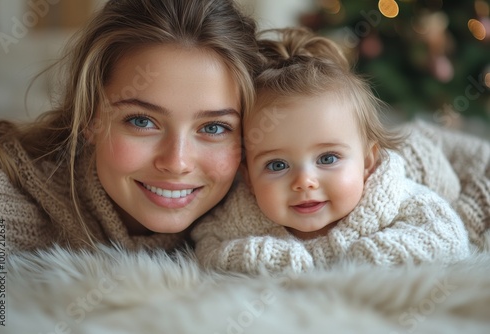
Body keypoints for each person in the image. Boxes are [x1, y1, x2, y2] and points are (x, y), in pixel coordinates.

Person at [191, 27, 471, 275]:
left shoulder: (392, 198)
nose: (304, 181)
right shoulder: (244, 213)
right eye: (277, 165)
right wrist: (264, 255)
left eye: (327, 158)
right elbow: (208, 243)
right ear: (249, 177)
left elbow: (447, 234)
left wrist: (373, 255)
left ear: (367, 161)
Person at [0, 0, 261, 254]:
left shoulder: (274, 193)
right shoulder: (4, 206)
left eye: (214, 128)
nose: (177, 163)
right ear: (89, 117)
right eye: (142, 121)